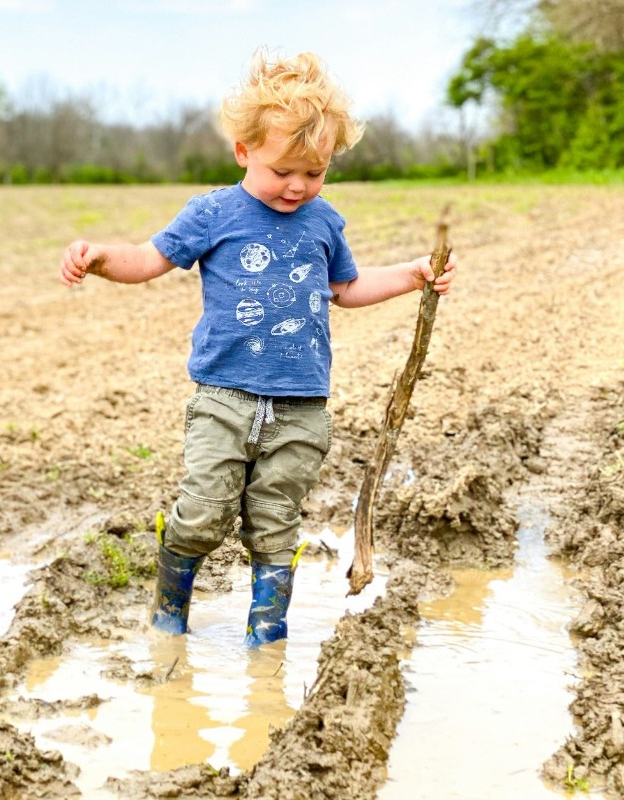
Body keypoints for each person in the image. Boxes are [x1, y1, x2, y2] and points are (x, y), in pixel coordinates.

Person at [59, 49, 456, 648]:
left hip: (302, 407)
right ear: (244, 152)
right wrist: (98, 259)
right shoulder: (213, 212)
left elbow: (345, 288)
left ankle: (265, 639)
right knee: (202, 515)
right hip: (224, 398)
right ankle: (169, 615)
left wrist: (413, 272)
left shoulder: (324, 222)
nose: (298, 186)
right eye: (283, 171)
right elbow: (147, 259)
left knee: (276, 525)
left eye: (314, 172)